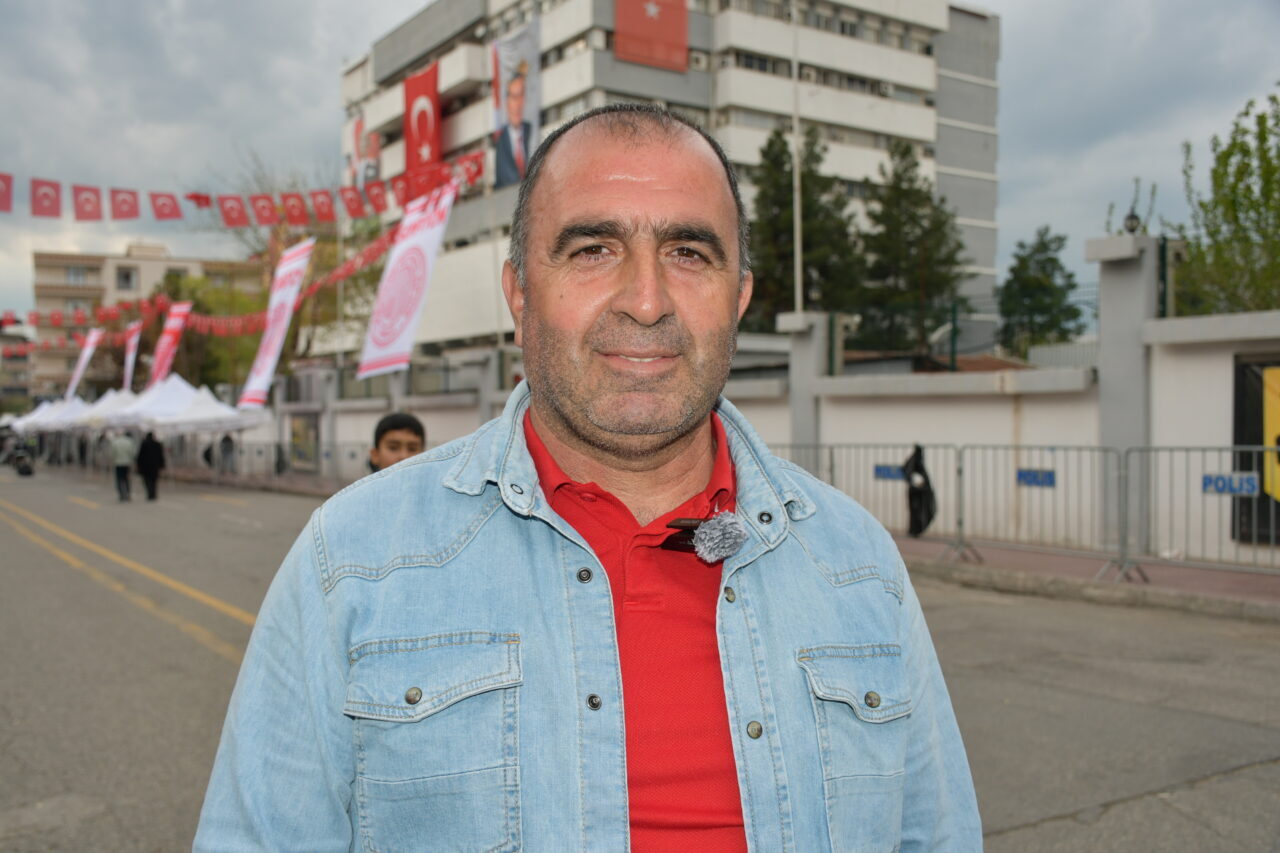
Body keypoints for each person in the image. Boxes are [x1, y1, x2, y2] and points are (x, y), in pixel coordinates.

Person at [196, 105, 980, 852]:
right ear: (519, 293)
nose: (646, 300)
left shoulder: (860, 565)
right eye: (592, 249)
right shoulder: (352, 559)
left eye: (689, 252)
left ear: (738, 298)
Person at [494, 70, 531, 188]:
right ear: (507, 102)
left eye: (521, 96)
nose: (518, 104)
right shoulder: (500, 139)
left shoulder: (530, 131)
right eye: (514, 97)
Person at [136, 431, 165, 501]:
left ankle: (150, 494)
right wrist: (162, 465)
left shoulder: (144, 444)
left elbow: (140, 456)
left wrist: (139, 465)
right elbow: (161, 455)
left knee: (147, 480)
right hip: (155, 466)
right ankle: (153, 494)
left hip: (145, 466)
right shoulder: (157, 444)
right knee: (154, 480)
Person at [109, 430, 136, 502]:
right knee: (127, 479)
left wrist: (114, 460)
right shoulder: (129, 442)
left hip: (118, 463)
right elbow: (133, 452)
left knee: (119, 479)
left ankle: (121, 494)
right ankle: (128, 493)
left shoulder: (115, 442)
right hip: (127, 463)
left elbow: (112, 453)